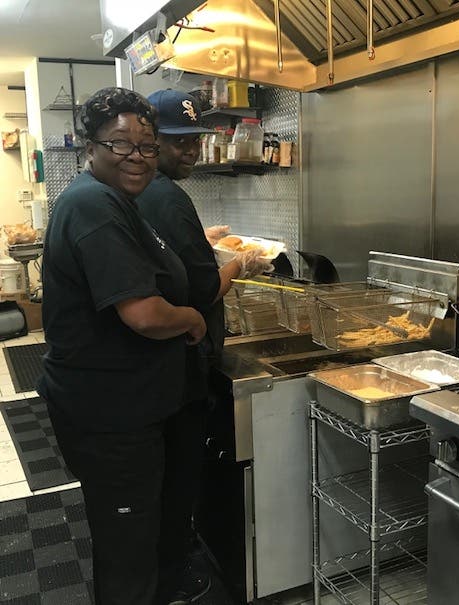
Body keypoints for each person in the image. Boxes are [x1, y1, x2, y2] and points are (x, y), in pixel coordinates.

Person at [36, 87, 208, 605]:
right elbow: (144, 315)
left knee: (131, 542)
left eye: (147, 145)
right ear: (90, 146)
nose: (136, 156)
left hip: (121, 407)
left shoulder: (111, 200)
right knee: (127, 555)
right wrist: (191, 317)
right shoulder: (94, 205)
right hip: (110, 415)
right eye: (120, 143)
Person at [135, 88, 272, 602]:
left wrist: (204, 241)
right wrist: (239, 264)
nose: (190, 149)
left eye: (194, 138)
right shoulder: (167, 196)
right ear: (152, 142)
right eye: (178, 141)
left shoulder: (145, 191)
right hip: (179, 361)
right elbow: (202, 289)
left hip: (157, 368)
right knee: (178, 477)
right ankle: (175, 573)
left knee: (168, 475)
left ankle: (167, 562)